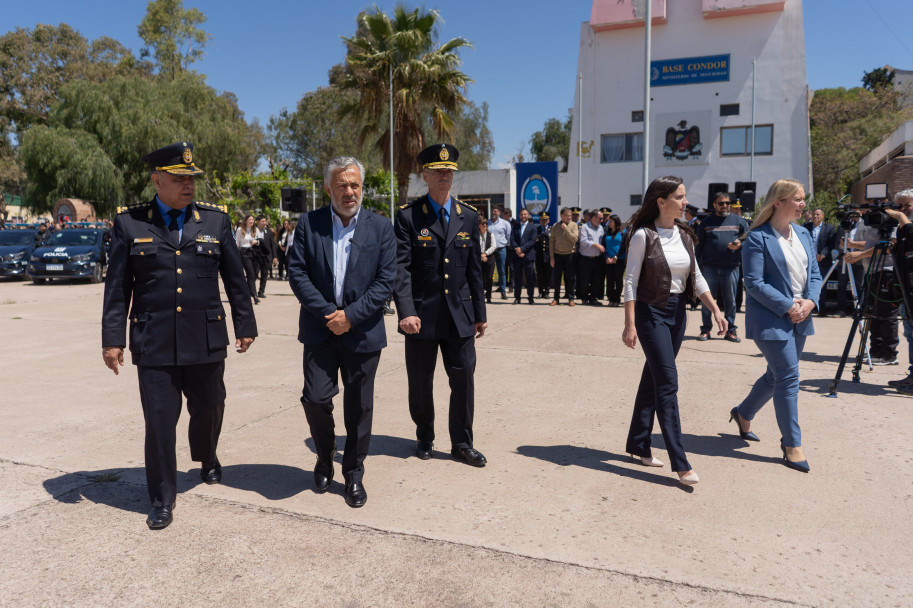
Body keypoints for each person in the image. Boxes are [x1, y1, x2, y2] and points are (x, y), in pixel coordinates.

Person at [101, 142, 257, 529]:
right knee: (158, 422)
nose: (188, 185)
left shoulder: (215, 222)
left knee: (210, 405)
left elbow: (235, 279)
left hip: (204, 337)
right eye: (178, 179)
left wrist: (245, 325)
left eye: (191, 178)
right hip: (153, 340)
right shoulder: (130, 223)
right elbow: (118, 287)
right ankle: (161, 499)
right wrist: (112, 338)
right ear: (157, 180)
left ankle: (206, 455)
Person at [288, 156, 396, 508]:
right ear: (328, 189)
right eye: (342, 185)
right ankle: (324, 456)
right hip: (320, 331)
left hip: (363, 331)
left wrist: (350, 315)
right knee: (316, 398)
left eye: (355, 185)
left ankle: (353, 472)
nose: (349, 192)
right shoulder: (308, 224)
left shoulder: (381, 228)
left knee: (359, 407)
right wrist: (327, 314)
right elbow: (298, 273)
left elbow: (385, 281)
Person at [622, 176, 727, 486]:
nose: (685, 202)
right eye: (680, 197)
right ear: (661, 201)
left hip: (678, 314)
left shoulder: (685, 235)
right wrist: (629, 324)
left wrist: (716, 309)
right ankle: (680, 462)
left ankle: (639, 444)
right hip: (650, 314)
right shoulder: (643, 236)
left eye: (684, 197)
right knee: (667, 383)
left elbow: (696, 278)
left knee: (652, 379)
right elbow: (630, 281)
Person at [393, 143, 488, 467]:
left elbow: (475, 269)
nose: (444, 176)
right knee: (420, 383)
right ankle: (424, 436)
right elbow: (401, 269)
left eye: (448, 172)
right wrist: (406, 310)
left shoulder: (468, 217)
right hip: (421, 316)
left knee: (463, 381)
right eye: (438, 171)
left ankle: (462, 442)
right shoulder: (409, 217)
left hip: (460, 317)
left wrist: (480, 314)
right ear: (425, 175)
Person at [730, 178, 821, 473]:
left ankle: (743, 413)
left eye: (803, 199)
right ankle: (792, 445)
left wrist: (810, 302)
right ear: (778, 202)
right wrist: (789, 305)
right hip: (771, 317)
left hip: (801, 315)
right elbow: (754, 283)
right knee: (789, 377)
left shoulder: (805, 233)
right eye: (797, 199)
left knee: (775, 374)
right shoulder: (756, 238)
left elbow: (815, 275)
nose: (803, 204)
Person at [695, 192, 745, 342]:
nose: (725, 206)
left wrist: (739, 245)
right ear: (714, 205)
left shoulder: (739, 221)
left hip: (731, 268)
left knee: (730, 302)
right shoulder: (706, 222)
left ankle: (731, 331)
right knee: (706, 301)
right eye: (721, 203)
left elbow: (748, 241)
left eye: (727, 203)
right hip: (709, 268)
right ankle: (706, 330)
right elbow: (699, 245)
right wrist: (696, 265)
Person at [803, 208, 839, 317]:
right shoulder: (805, 227)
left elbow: (831, 243)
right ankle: (808, 308)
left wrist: (823, 254)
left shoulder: (829, 228)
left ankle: (821, 308)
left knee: (821, 285)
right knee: (807, 284)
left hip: (822, 261)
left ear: (822, 216)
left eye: (818, 214)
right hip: (808, 261)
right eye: (814, 214)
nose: (815, 217)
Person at [549, 207, 579, 306]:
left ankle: (571, 298)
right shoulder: (555, 226)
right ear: (561, 216)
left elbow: (574, 239)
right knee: (557, 278)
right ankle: (556, 299)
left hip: (570, 255)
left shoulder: (574, 225)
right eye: (567, 215)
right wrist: (552, 257)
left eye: (570, 215)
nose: (569, 217)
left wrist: (566, 229)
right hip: (558, 255)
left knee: (570, 278)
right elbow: (552, 242)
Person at [578, 208, 605, 305]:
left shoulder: (601, 228)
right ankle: (584, 298)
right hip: (586, 258)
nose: (602, 220)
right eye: (600, 218)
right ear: (593, 218)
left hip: (597, 259)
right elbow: (583, 241)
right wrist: (596, 245)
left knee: (596, 280)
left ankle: (593, 299)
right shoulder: (585, 227)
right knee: (585, 280)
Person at [510, 208, 537, 304]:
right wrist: (517, 249)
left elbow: (532, 241)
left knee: (530, 278)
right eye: (522, 214)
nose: (523, 216)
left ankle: (531, 298)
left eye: (525, 214)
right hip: (517, 256)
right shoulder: (515, 226)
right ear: (519, 215)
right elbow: (512, 239)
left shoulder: (533, 227)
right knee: (517, 278)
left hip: (528, 256)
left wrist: (522, 249)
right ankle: (517, 298)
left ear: (528, 215)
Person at [236, 214, 261, 304]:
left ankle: (247, 293)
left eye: (252, 220)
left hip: (253, 252)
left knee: (253, 274)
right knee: (250, 274)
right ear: (246, 220)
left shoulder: (256, 230)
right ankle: (254, 296)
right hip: (244, 253)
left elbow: (260, 239)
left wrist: (256, 241)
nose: (252, 221)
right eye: (250, 219)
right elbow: (237, 242)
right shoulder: (240, 229)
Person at [488, 207, 511, 300]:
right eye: (492, 211)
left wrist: (505, 245)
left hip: (501, 249)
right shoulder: (487, 223)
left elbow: (508, 236)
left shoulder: (505, 223)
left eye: (495, 211)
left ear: (499, 212)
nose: (494, 212)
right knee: (489, 272)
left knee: (502, 271)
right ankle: (488, 293)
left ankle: (503, 292)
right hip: (490, 250)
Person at [603, 214, 625, 307]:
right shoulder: (607, 232)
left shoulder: (623, 233)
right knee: (610, 280)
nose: (609, 223)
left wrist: (616, 256)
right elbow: (603, 246)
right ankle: (611, 299)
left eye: (611, 221)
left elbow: (623, 247)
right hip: (608, 260)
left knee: (618, 279)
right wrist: (606, 257)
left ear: (616, 222)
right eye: (609, 221)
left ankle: (617, 299)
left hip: (619, 260)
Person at [255, 215, 277, 298]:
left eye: (265, 221)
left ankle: (261, 292)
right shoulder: (254, 231)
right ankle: (252, 291)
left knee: (264, 275)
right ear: (258, 222)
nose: (264, 223)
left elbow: (272, 244)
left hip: (266, 256)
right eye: (262, 221)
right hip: (256, 255)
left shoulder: (268, 232)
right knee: (254, 274)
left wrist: (275, 257)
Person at [479, 216, 497, 303]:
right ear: (479, 225)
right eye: (483, 223)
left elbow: (494, 246)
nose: (485, 225)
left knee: (489, 278)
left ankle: (489, 296)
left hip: (489, 259)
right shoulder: (476, 235)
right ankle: (481, 295)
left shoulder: (491, 234)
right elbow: (475, 246)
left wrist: (485, 254)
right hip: (479, 259)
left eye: (486, 223)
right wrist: (481, 255)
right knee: (480, 278)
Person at [534, 212, 551, 299]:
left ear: (548, 220)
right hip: (539, 256)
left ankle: (547, 292)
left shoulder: (552, 230)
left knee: (548, 275)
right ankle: (541, 292)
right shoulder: (536, 229)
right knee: (540, 275)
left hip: (548, 256)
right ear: (540, 220)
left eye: (545, 220)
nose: (544, 221)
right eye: (542, 220)